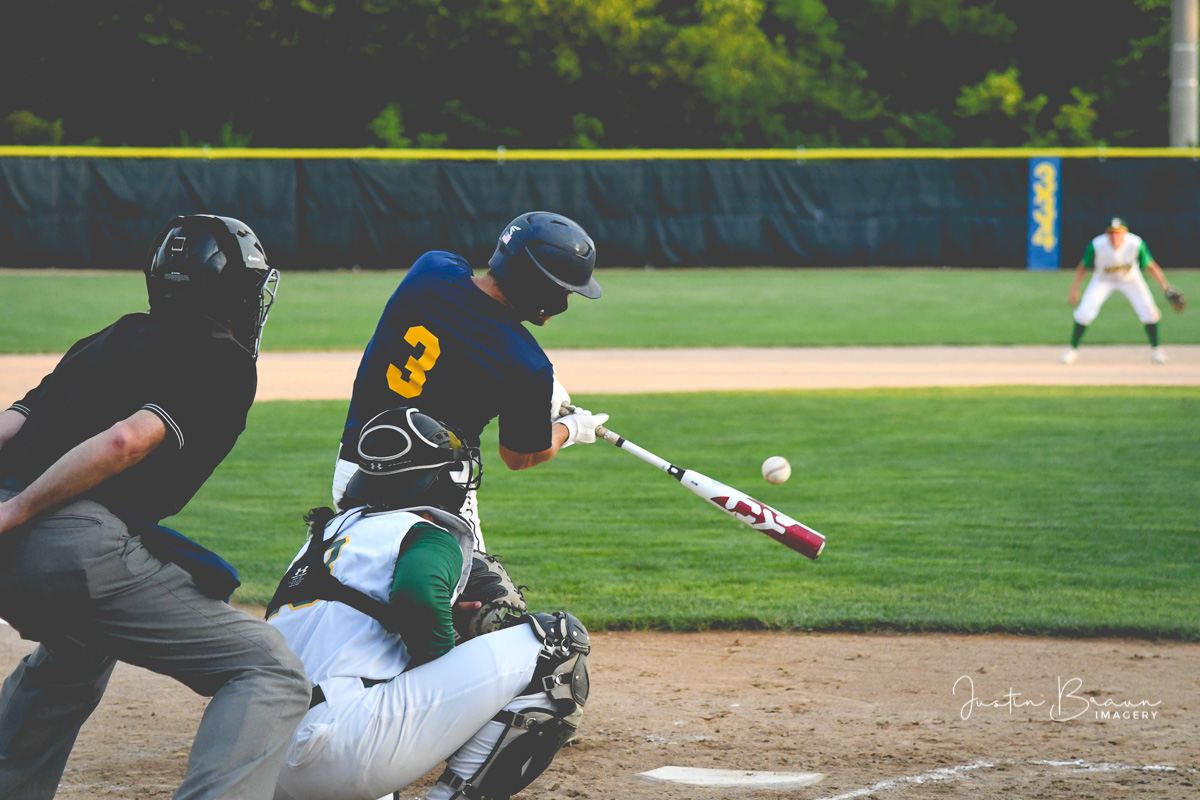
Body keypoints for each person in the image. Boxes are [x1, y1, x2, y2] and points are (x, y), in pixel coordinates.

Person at [0, 215, 310, 799]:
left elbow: (14, 423)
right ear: (235, 292)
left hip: (15, 544)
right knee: (268, 667)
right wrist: (17, 512)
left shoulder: (108, 336)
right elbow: (127, 440)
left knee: (80, 648)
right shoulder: (224, 358)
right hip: (61, 542)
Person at [268, 406, 590, 800]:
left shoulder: (325, 537)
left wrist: (442, 617)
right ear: (432, 479)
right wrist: (450, 649)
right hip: (337, 749)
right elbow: (416, 596)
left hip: (265, 755)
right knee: (555, 643)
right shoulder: (425, 532)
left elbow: (356, 616)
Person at [332, 211, 609, 550]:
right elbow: (520, 456)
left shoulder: (431, 269)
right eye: (564, 291)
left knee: (360, 589)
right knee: (472, 598)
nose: (565, 301)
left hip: (357, 473)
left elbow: (462, 328)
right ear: (538, 287)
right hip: (435, 497)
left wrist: (534, 391)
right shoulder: (526, 363)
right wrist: (571, 429)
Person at [1061, 217, 1176, 365]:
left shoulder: (1135, 243)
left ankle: (1157, 351)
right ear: (1106, 233)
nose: (1114, 236)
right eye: (1111, 233)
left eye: (1118, 232)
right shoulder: (1097, 245)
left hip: (1130, 279)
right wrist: (1074, 290)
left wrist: (1166, 287)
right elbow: (1083, 267)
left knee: (1150, 311)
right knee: (1084, 312)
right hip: (1103, 280)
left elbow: (1151, 266)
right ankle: (1072, 350)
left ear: (1125, 232)